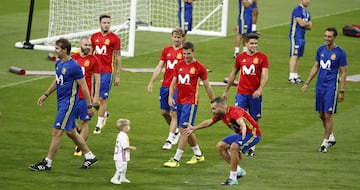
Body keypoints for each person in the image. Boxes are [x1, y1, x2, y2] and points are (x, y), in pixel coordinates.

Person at [29, 38, 98, 171]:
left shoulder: (74, 66)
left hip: (69, 104)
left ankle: (47, 163)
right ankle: (90, 156)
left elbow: (84, 87)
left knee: (57, 131)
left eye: (57, 48)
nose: (55, 50)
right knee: (71, 132)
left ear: (65, 50)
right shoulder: (59, 63)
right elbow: (57, 81)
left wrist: (89, 106)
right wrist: (46, 94)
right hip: (61, 103)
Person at [185, 97, 261, 185]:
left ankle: (233, 178)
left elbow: (241, 123)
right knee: (220, 146)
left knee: (234, 147)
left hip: (252, 134)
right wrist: (194, 128)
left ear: (222, 107)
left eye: (214, 108)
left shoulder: (234, 112)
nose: (212, 111)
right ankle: (239, 171)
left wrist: (242, 138)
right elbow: (209, 122)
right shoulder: (221, 114)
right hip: (241, 134)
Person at [163, 42, 215, 168]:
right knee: (184, 129)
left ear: (193, 52)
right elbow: (173, 83)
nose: (186, 56)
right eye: (184, 53)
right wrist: (170, 97)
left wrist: (213, 102)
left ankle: (176, 159)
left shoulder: (199, 67)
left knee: (185, 130)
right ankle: (198, 154)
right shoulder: (179, 65)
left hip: (190, 103)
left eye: (188, 53)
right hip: (179, 101)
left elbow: (207, 85)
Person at [301, 27, 347, 153]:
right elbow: (316, 67)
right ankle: (331, 136)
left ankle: (325, 142)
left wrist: (342, 91)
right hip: (320, 86)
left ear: (334, 37)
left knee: (328, 114)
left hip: (331, 87)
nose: (327, 38)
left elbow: (343, 73)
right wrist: (307, 83)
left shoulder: (340, 53)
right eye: (325, 36)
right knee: (321, 114)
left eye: (329, 36)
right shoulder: (320, 50)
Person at [224, 32, 269, 156]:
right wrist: (226, 90)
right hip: (241, 93)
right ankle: (239, 142)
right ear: (246, 44)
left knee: (254, 119)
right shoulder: (240, 57)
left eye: (256, 43)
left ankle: (252, 146)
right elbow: (234, 73)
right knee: (238, 119)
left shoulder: (262, 57)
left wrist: (260, 89)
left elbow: (265, 75)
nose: (254, 46)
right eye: (252, 43)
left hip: (255, 94)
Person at [147, 28, 185, 150]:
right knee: (164, 112)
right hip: (165, 86)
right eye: (175, 36)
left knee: (174, 113)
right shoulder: (166, 50)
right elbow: (160, 66)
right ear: (172, 37)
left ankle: (169, 139)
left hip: (178, 87)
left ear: (182, 38)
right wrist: (152, 81)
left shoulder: (185, 52)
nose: (176, 39)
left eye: (179, 37)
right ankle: (176, 131)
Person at [91, 14, 122, 134]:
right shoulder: (94, 37)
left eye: (108, 22)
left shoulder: (115, 38)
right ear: (100, 23)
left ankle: (99, 125)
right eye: (104, 22)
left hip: (106, 72)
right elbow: (91, 53)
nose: (106, 24)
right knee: (94, 101)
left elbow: (118, 56)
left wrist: (118, 75)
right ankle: (104, 114)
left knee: (102, 99)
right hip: (94, 73)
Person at [71, 37, 101, 156]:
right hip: (72, 95)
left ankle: (80, 146)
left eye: (89, 45)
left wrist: (96, 96)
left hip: (85, 96)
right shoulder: (73, 58)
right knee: (70, 121)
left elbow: (97, 79)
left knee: (85, 121)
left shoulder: (94, 60)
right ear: (80, 45)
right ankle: (79, 133)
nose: (88, 47)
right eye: (86, 45)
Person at [288, 0, 312, 84]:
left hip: (302, 37)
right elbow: (301, 24)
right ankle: (291, 76)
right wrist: (306, 23)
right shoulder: (297, 10)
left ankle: (295, 75)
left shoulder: (307, 12)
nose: (308, 1)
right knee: (294, 55)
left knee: (298, 56)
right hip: (295, 36)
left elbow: (310, 27)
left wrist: (305, 24)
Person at [110, 119, 136, 185]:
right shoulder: (123, 136)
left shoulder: (121, 134)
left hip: (120, 154)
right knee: (121, 167)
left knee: (124, 166)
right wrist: (132, 148)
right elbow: (125, 146)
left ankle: (122, 178)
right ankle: (115, 178)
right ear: (124, 128)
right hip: (121, 155)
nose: (129, 127)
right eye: (128, 126)